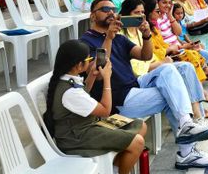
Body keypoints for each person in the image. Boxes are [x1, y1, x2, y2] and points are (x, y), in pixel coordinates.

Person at [81, 0, 208, 169]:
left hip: (134, 85)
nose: (110, 12)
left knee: (172, 69)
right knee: (173, 95)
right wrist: (108, 38)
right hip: (118, 99)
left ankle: (187, 124)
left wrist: (146, 35)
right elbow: (99, 72)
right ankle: (187, 152)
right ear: (92, 16)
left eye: (112, 9)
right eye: (105, 9)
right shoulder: (85, 41)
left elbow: (145, 56)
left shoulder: (118, 37)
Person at [43, 40, 146, 174]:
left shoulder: (66, 79)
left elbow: (82, 94)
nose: (91, 61)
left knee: (140, 125)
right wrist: (107, 78)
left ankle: (114, 168)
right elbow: (105, 110)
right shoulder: (70, 92)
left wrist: (91, 75)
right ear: (79, 65)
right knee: (137, 142)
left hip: (86, 127)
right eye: (88, 59)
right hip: (78, 138)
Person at [118, 0, 208, 119]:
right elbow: (137, 66)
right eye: (136, 13)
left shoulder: (141, 31)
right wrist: (161, 62)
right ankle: (190, 118)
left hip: (156, 63)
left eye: (142, 13)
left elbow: (154, 52)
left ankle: (197, 115)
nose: (140, 16)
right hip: (142, 75)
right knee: (171, 70)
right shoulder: (121, 35)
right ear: (125, 14)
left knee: (186, 66)